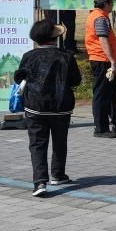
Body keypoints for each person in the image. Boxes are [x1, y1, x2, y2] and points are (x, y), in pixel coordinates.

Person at [14, 19, 82, 196]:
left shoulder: (28, 56)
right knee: (60, 141)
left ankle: (39, 182)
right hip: (61, 106)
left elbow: (19, 77)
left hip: (35, 106)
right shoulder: (66, 56)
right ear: (55, 37)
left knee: (37, 144)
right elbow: (76, 81)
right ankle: (58, 175)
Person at [85, 0, 116, 138]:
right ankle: (101, 129)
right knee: (101, 96)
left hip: (103, 60)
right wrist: (112, 61)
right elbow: (103, 40)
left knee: (112, 95)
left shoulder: (98, 16)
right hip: (102, 61)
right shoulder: (100, 18)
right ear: (105, 4)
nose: (113, 5)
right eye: (111, 3)